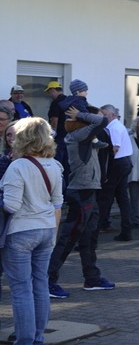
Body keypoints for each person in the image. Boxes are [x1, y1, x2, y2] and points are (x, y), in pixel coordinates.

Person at [1, 117, 63, 344]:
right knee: (40, 284)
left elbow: (10, 206)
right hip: (46, 230)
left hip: (21, 232)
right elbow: (58, 202)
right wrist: (54, 234)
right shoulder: (55, 165)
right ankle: (37, 337)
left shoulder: (18, 166)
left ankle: (25, 340)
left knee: (21, 289)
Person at [48, 106, 116, 299]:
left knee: (89, 236)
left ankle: (92, 278)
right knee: (68, 238)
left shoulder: (85, 138)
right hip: (81, 193)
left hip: (88, 191)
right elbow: (101, 122)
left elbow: (101, 141)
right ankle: (48, 279)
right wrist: (80, 115)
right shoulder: (79, 135)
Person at [97, 105, 134, 241]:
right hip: (123, 163)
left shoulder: (113, 128)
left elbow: (115, 148)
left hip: (117, 164)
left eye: (105, 115)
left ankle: (95, 231)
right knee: (122, 198)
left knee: (105, 198)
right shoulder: (115, 126)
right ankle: (126, 230)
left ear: (112, 115)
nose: (103, 118)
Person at [45, 81, 70, 183]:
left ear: (53, 90)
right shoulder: (68, 100)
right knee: (67, 164)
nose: (50, 95)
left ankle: (58, 185)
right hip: (70, 136)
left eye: (50, 92)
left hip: (60, 137)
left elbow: (54, 118)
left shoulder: (56, 102)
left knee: (57, 163)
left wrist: (52, 132)